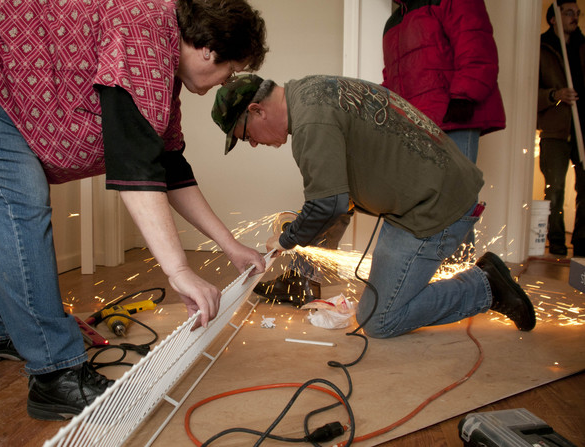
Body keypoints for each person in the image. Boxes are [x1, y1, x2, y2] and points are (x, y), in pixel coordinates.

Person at [0, 0, 267, 421]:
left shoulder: (161, 68)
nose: (227, 81)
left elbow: (167, 167)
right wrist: (179, 270)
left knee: (4, 202)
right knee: (17, 201)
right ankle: (56, 375)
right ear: (208, 49)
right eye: (232, 70)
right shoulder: (144, 33)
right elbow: (135, 168)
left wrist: (230, 246)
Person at [212, 74, 536, 338]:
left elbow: (328, 203)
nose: (254, 143)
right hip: (423, 199)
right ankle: (481, 283)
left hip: (434, 208)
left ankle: (484, 287)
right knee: (377, 309)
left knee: (379, 320)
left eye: (245, 136)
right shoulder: (313, 90)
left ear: (257, 110)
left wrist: (285, 240)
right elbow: (337, 194)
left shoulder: (311, 124)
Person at [382, 0, 505, 164]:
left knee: (454, 188)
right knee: (418, 189)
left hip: (452, 118)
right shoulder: (393, 22)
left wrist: (464, 97)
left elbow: (475, 44)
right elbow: (392, 76)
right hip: (411, 127)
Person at [538, 0, 585, 257]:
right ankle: (556, 242)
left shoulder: (582, 47)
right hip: (556, 129)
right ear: (554, 18)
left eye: (577, 14)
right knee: (554, 187)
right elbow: (530, 93)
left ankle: (582, 244)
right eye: (569, 13)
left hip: (582, 130)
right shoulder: (542, 49)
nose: (574, 18)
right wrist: (555, 94)